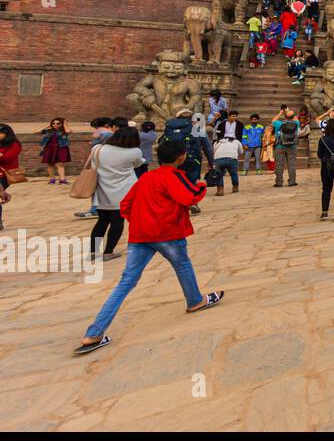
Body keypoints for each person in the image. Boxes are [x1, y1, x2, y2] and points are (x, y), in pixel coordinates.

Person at [74, 139, 223, 355]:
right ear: (181, 158)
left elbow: (126, 205)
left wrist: (141, 221)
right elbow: (188, 197)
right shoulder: (173, 177)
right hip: (167, 232)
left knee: (127, 282)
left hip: (141, 234)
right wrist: (201, 187)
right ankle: (195, 301)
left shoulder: (146, 178)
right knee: (182, 266)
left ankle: (94, 333)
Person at [89, 125, 145, 259]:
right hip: (123, 191)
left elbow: (92, 164)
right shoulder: (134, 151)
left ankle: (93, 251)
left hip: (102, 189)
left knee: (101, 221)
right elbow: (138, 164)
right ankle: (108, 251)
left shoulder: (97, 149)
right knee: (117, 221)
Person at [272, 110, 300, 187]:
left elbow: (273, 120)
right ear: (293, 117)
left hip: (280, 146)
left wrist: (281, 112)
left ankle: (279, 182)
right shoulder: (296, 123)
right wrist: (290, 112)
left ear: (285, 117)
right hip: (292, 146)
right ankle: (292, 181)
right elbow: (296, 119)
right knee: (292, 165)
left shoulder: (279, 124)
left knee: (279, 165)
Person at [40, 117, 72, 184]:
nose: (55, 124)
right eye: (53, 123)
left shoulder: (63, 131)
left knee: (60, 163)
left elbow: (68, 131)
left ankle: (62, 179)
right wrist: (48, 127)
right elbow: (35, 131)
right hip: (49, 147)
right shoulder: (49, 131)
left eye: (58, 123)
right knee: (50, 163)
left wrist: (65, 124)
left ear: (61, 124)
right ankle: (52, 179)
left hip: (61, 147)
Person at [210, 130, 242, 196]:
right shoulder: (236, 141)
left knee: (219, 175)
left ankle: (220, 190)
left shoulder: (217, 142)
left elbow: (213, 152)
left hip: (218, 159)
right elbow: (241, 152)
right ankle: (235, 188)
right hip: (232, 158)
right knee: (233, 174)